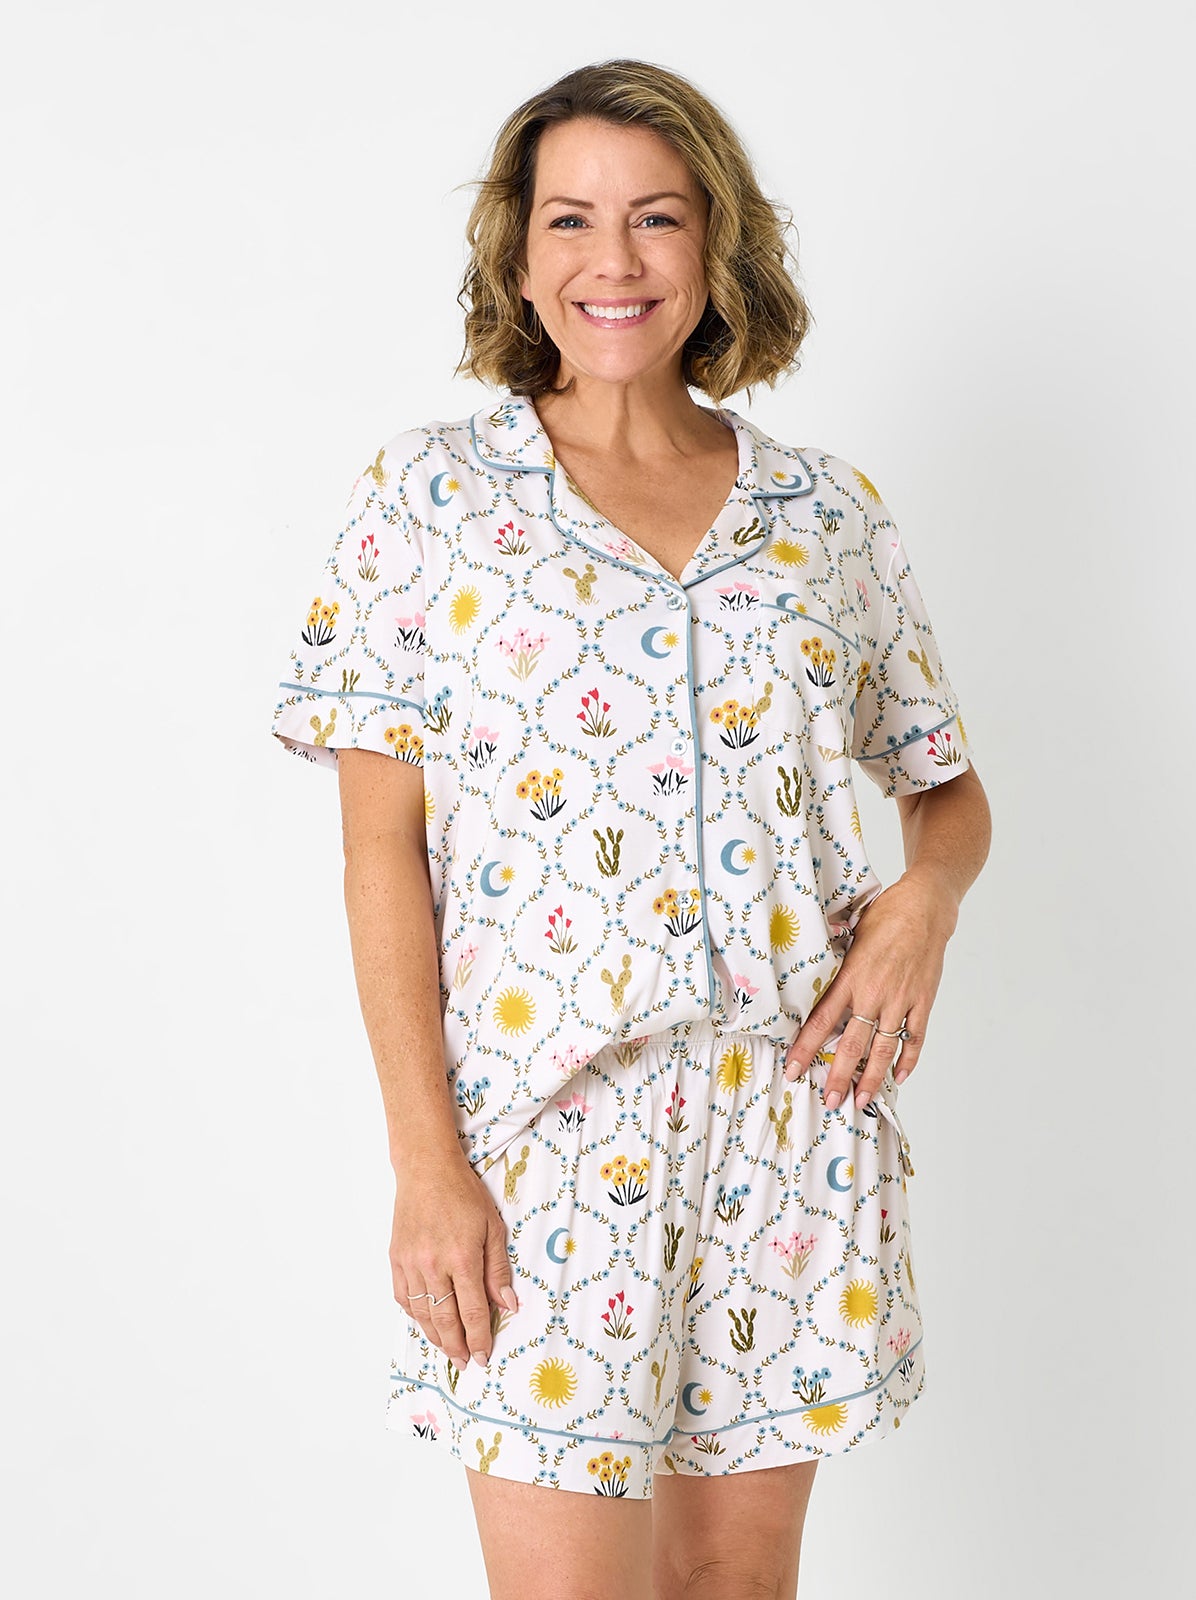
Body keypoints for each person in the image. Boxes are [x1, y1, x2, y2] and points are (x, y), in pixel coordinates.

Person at [268, 57, 991, 1600]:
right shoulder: (428, 501)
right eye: (572, 219)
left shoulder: (824, 514)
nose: (616, 260)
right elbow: (376, 852)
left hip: (794, 1129)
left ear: (716, 243)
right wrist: (427, 1165)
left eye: (657, 218)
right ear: (518, 252)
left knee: (736, 1591)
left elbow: (943, 783)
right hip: (546, 1140)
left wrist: (924, 901)